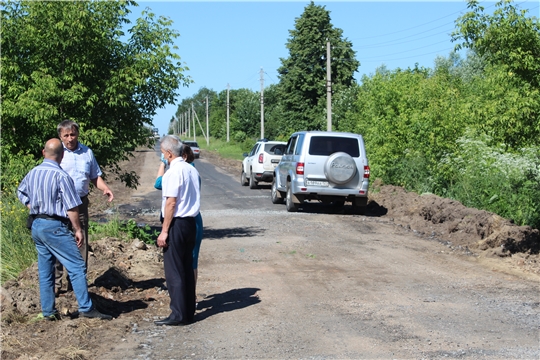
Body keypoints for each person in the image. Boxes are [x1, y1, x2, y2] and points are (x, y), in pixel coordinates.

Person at [17, 139, 112, 320]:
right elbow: (71, 208)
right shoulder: (61, 176)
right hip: (54, 226)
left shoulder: (33, 172)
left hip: (37, 225)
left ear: (43, 153)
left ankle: (48, 312)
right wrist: (77, 229)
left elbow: (21, 192)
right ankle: (86, 308)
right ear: (62, 156)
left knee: (46, 271)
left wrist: (33, 206)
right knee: (76, 266)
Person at [55, 120, 114, 295]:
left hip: (80, 203)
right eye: (66, 135)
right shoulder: (57, 153)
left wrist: (106, 189)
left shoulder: (87, 152)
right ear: (60, 136)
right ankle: (56, 284)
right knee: (58, 241)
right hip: (60, 204)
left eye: (72, 134)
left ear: (77, 134)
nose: (70, 138)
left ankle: (77, 283)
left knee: (81, 241)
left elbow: (95, 176)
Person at [154, 135, 201, 326]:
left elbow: (171, 203)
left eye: (163, 153)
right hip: (191, 223)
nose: (163, 156)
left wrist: (164, 231)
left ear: (169, 153)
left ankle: (178, 315)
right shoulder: (191, 170)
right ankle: (188, 311)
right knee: (187, 269)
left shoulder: (173, 173)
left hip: (177, 224)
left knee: (174, 271)